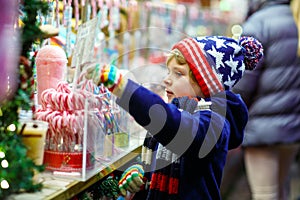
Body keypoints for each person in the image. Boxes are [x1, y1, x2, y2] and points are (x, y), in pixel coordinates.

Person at [86, 35, 263, 199]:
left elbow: (177, 129)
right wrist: (141, 173)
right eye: (168, 72)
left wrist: (125, 89)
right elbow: (159, 160)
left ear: (207, 84)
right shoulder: (177, 110)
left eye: (178, 74)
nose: (166, 80)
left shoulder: (213, 124)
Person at [232, 0, 300, 199]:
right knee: (282, 190)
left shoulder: (258, 23)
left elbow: (242, 83)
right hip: (293, 125)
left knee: (265, 194)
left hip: (262, 129)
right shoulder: (296, 17)